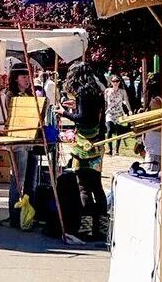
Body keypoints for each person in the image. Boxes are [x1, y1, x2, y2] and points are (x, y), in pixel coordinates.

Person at [58, 61, 108, 240]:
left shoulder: (82, 93)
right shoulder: (97, 91)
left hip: (83, 145)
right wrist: (75, 107)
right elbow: (94, 116)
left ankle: (86, 228)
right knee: (97, 186)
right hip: (98, 143)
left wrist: (64, 112)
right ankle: (102, 227)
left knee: (83, 187)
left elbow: (82, 118)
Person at [6, 65, 40, 227]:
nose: (27, 79)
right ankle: (15, 217)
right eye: (23, 76)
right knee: (18, 181)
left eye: (28, 76)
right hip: (19, 142)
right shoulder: (11, 95)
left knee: (30, 183)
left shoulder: (30, 94)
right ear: (15, 78)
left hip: (31, 142)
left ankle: (28, 215)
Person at [104, 74, 131, 155]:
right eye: (113, 81)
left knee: (119, 132)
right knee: (109, 130)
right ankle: (109, 149)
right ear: (111, 82)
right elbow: (105, 102)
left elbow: (126, 101)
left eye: (117, 81)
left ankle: (117, 150)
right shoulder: (107, 91)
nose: (115, 83)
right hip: (110, 113)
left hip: (119, 113)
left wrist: (129, 110)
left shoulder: (122, 91)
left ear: (119, 82)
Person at [141, 85, 162, 167]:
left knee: (152, 170)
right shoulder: (157, 101)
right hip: (154, 145)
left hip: (154, 146)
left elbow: (157, 124)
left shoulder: (155, 102)